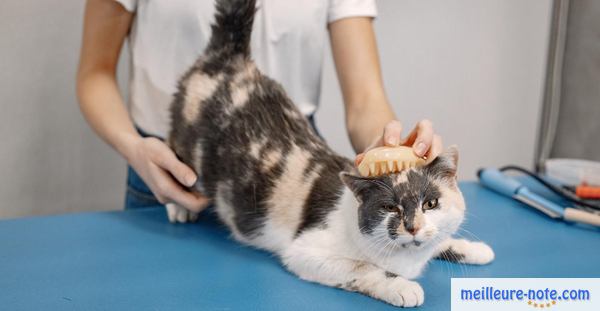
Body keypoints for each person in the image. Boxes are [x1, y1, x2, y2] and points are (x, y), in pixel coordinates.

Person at [76, 0, 443, 212]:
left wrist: (392, 149)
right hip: (167, 172)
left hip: (290, 179)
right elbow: (94, 73)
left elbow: (365, 102)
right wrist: (132, 147)